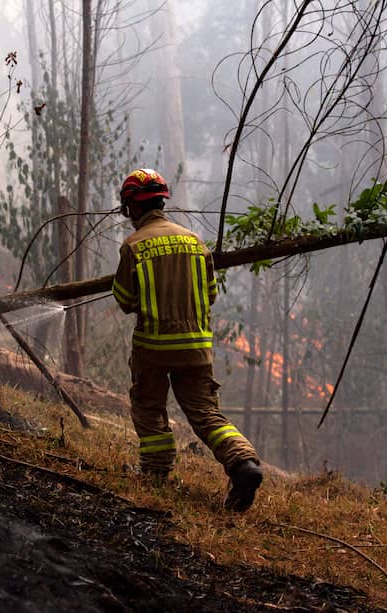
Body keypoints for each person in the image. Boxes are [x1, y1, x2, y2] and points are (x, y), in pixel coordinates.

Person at [111, 168, 263, 513]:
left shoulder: (133, 246)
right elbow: (210, 294)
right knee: (206, 413)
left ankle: (155, 473)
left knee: (149, 407)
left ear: (132, 206)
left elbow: (124, 299)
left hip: (153, 345)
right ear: (162, 201)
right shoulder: (195, 241)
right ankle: (243, 463)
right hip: (196, 347)